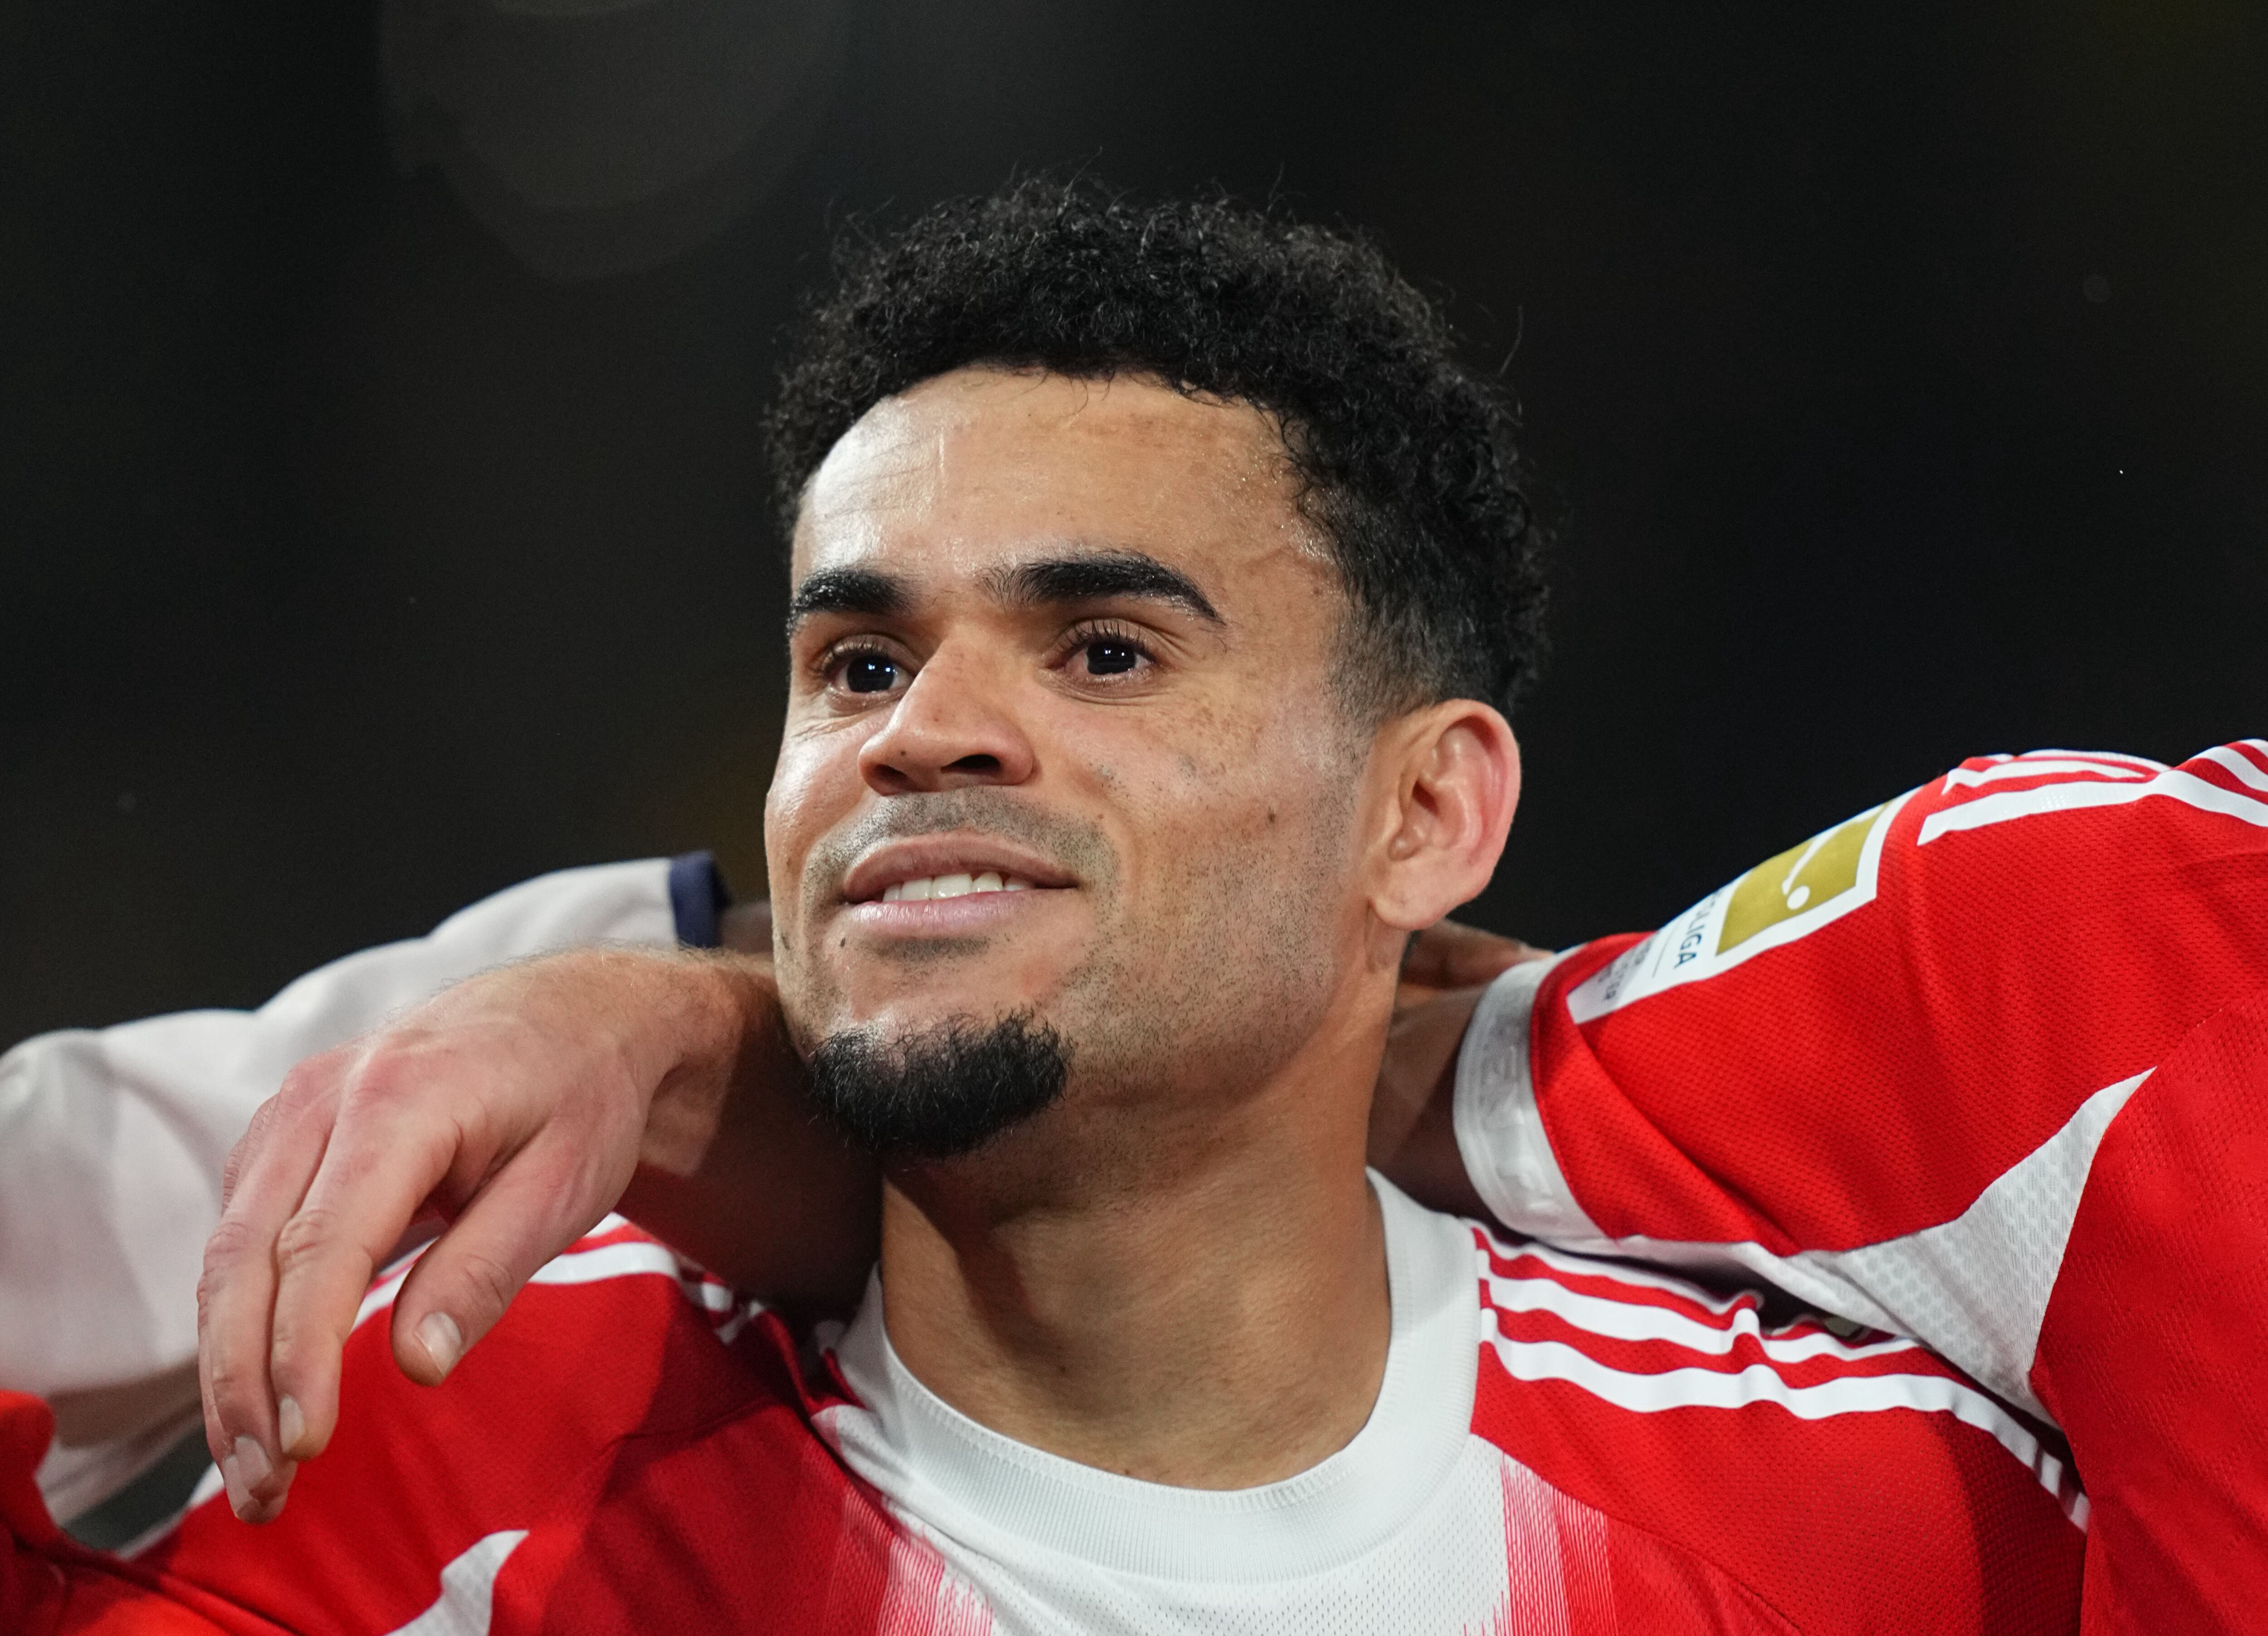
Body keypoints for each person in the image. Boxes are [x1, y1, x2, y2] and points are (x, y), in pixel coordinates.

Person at [0, 177, 2249, 1634]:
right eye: (857, 661)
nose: (920, 732)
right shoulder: (422, 1468)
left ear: (1426, 815)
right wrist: (631, 1012)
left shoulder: (1873, 1543)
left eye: (1103, 652)